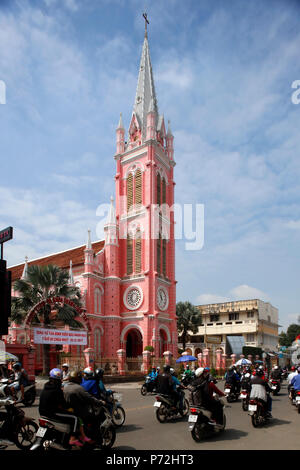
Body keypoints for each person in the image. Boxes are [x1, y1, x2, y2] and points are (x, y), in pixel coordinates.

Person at [39, 368, 80, 447]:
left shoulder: (46, 387)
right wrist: (70, 407)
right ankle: (73, 438)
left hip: (42, 412)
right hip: (52, 413)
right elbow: (63, 404)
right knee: (75, 418)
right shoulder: (57, 390)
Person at [63, 369, 105, 445]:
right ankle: (97, 442)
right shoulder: (79, 388)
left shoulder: (65, 387)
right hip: (79, 412)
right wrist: (100, 402)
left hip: (69, 411)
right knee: (95, 421)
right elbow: (89, 398)